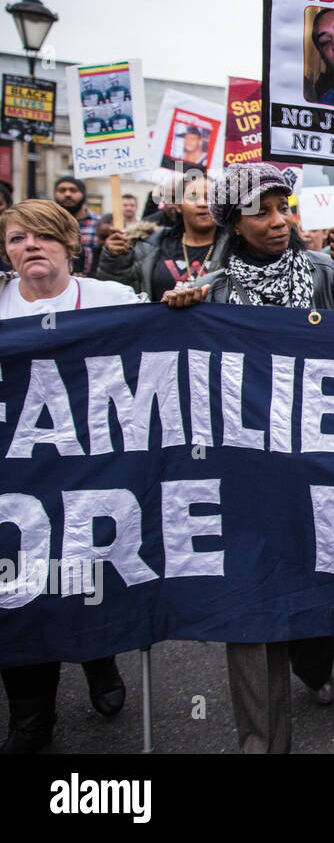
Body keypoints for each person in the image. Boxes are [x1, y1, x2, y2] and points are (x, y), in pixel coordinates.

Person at [185, 162, 334, 753]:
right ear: (233, 222)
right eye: (261, 212)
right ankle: (261, 742)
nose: (278, 222)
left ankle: (314, 661)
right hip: (246, 466)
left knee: (311, 578)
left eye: (284, 208)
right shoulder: (215, 286)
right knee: (250, 590)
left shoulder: (323, 268)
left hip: (315, 459)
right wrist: (177, 311)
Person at [0, 199, 149, 752]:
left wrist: (185, 304)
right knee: (17, 586)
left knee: (87, 572)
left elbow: (162, 345)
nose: (30, 247)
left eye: (42, 236)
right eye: (17, 239)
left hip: (95, 466)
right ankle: (30, 715)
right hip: (17, 476)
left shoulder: (112, 299)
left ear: (69, 245)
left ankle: (99, 661)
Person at [96, 173, 230, 301]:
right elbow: (123, 292)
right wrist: (115, 260)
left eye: (211, 197)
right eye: (193, 197)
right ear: (178, 206)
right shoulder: (148, 246)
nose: (202, 203)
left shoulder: (234, 249)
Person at [52, 175, 99, 275]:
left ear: (83, 194)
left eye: (73, 190)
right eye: (62, 190)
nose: (67, 194)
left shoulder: (99, 224)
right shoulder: (49, 225)